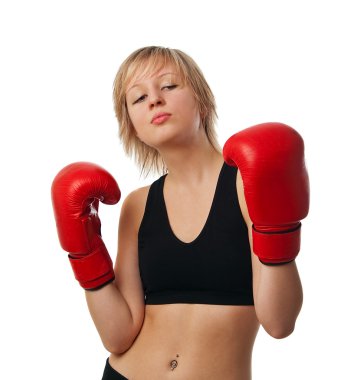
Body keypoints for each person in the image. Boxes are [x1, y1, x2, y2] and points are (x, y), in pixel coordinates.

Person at [51, 46, 309, 379]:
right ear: (133, 126)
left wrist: (280, 233)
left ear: (202, 99)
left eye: (169, 86)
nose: (155, 99)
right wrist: (85, 258)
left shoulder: (248, 187)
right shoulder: (138, 206)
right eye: (139, 98)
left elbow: (279, 322)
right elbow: (117, 336)